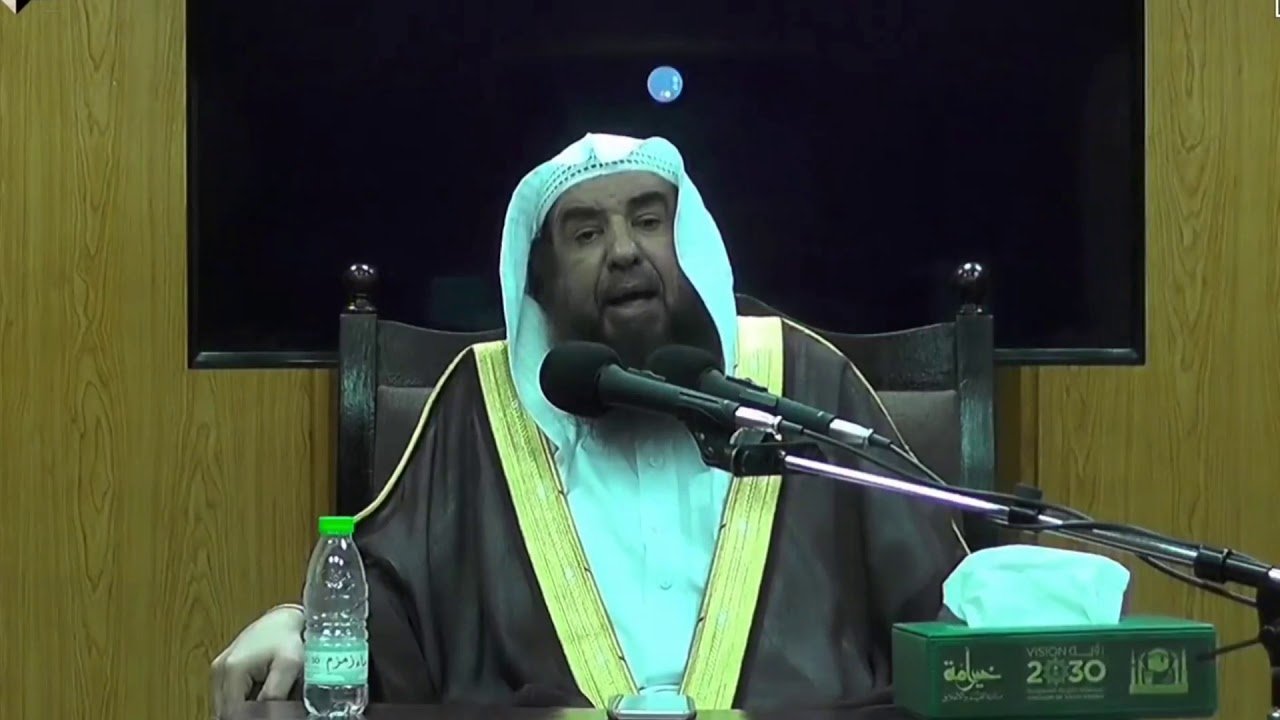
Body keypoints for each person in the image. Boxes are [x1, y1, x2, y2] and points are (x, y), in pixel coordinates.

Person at [211, 133, 967, 718]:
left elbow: (941, 612)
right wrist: (296, 624)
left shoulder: (802, 383)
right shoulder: (482, 403)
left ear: (692, 246)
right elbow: (387, 599)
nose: (625, 252)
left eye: (649, 221)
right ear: (539, 282)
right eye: (585, 234)